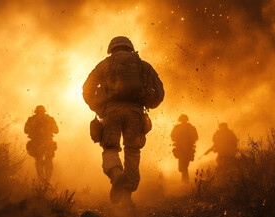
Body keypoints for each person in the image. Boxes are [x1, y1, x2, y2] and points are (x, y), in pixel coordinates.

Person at [83, 36, 164, 206]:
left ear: (112, 49)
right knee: (132, 151)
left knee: (110, 148)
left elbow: (87, 88)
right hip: (135, 113)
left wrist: (98, 107)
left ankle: (116, 175)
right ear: (130, 48)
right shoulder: (143, 66)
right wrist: (146, 102)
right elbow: (159, 92)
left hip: (111, 112)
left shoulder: (104, 65)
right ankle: (127, 193)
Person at [24, 105, 59, 182]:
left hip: (37, 143)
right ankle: (47, 179)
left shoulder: (32, 119)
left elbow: (26, 130)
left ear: (35, 112)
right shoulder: (49, 119)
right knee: (48, 161)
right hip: (47, 142)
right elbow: (56, 131)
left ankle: (42, 179)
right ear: (44, 111)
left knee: (39, 161)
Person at [171, 114, 198, 183]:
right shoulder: (190, 127)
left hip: (184, 150)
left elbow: (172, 137)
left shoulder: (179, 127)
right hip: (184, 150)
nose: (183, 122)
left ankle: (185, 182)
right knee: (183, 167)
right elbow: (173, 137)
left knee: (183, 167)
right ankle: (185, 182)